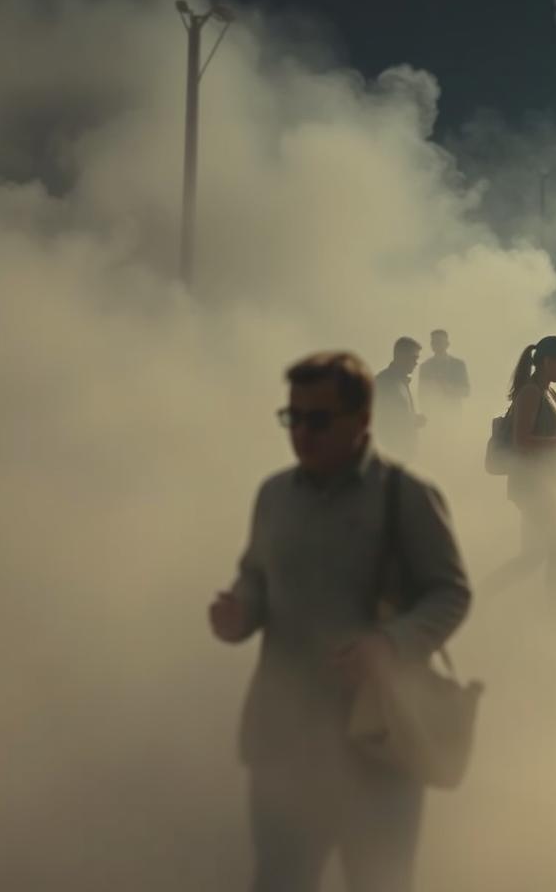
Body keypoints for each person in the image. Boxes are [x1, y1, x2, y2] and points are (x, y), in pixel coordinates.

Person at [209, 352, 472, 892]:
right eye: (293, 418)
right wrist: (240, 611)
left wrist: (390, 645)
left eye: (319, 420)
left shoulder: (405, 496)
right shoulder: (275, 495)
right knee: (281, 880)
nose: (302, 433)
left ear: (362, 419)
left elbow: (450, 592)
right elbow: (256, 574)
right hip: (285, 740)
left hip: (377, 741)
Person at [483, 335, 556, 606]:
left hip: (545, 485)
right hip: (533, 487)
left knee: (532, 557)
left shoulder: (546, 392)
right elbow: (522, 443)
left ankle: (478, 597)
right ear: (548, 362)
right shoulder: (531, 392)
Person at [374, 337, 426, 461]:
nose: (416, 362)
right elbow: (382, 418)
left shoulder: (401, 381)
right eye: (414, 358)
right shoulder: (384, 381)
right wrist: (412, 420)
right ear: (401, 356)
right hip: (391, 454)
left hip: (403, 454)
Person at [418, 329, 470, 414]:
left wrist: (448, 388)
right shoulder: (425, 367)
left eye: (439, 342)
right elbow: (421, 395)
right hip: (433, 415)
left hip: (454, 414)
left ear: (447, 344)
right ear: (431, 345)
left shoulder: (458, 365)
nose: (437, 345)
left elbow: (466, 391)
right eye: (434, 342)